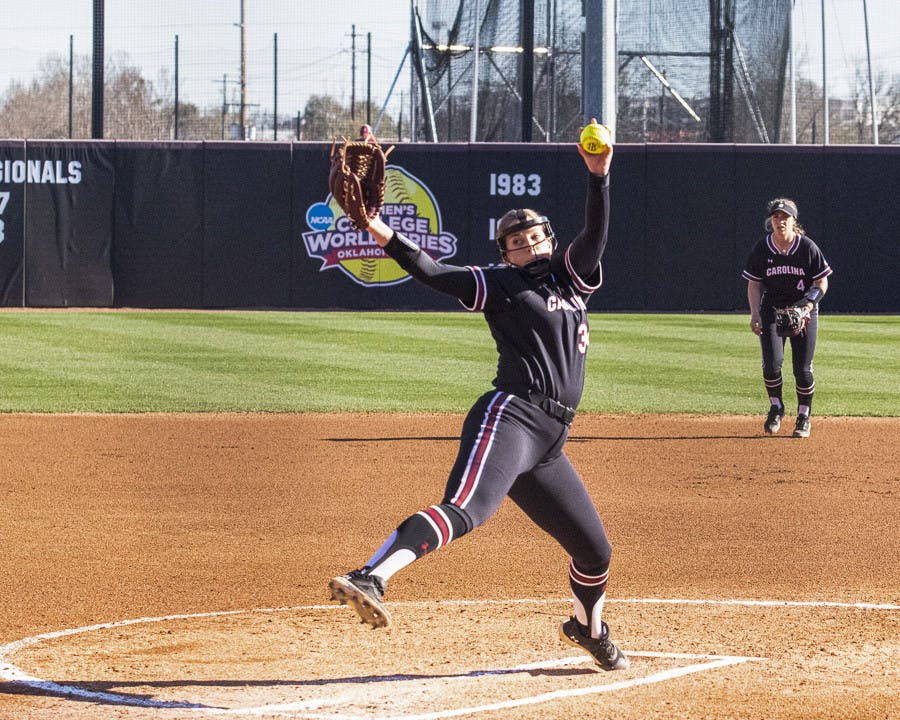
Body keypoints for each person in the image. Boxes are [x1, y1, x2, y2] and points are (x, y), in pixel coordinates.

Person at [328, 120, 629, 672]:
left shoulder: (570, 278)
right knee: (467, 508)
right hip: (510, 418)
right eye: (514, 242)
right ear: (506, 254)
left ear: (549, 240)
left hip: (551, 443)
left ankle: (589, 630)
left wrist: (599, 178)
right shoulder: (501, 285)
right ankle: (370, 574)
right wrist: (375, 227)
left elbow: (595, 235)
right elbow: (432, 271)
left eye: (533, 235)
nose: (525, 244)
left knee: (595, 551)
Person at [742, 198, 832, 438]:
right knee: (771, 366)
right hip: (771, 309)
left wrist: (808, 305)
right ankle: (776, 407)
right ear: (770, 221)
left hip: (803, 311)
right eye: (776, 217)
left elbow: (821, 281)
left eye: (785, 217)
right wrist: (754, 313)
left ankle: (804, 415)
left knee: (802, 369)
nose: (780, 221)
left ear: (794, 220)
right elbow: (754, 285)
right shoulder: (762, 248)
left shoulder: (807, 247)